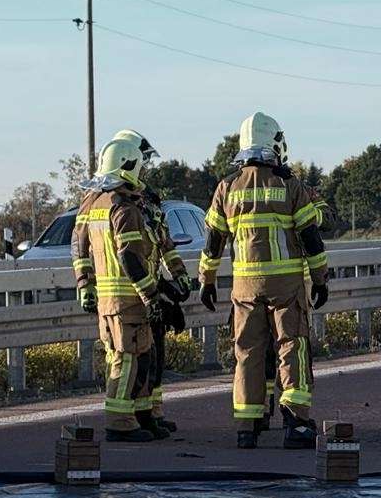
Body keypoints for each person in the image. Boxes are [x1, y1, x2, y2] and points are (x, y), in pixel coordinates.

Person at [199, 112, 331, 449]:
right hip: (285, 286)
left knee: (247, 352)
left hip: (245, 288)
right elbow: (311, 238)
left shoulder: (226, 188)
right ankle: (296, 422)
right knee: (292, 346)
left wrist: (207, 280)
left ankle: (248, 425)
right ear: (275, 144)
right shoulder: (289, 186)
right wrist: (320, 279)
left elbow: (213, 242)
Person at [72, 138, 176, 442]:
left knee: (138, 356)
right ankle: (119, 422)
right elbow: (129, 256)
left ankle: (140, 416)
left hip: (113, 298)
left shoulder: (98, 203)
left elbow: (82, 246)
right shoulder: (124, 208)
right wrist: (151, 295)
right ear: (128, 166)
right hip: (128, 298)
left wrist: (85, 284)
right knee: (127, 359)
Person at [110, 129, 195, 434]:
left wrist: (176, 280)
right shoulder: (114, 203)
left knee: (151, 354)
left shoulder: (145, 201)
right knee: (131, 359)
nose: (145, 169)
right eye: (142, 162)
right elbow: (123, 255)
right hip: (126, 294)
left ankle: (149, 413)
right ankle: (126, 418)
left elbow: (161, 243)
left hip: (146, 287)